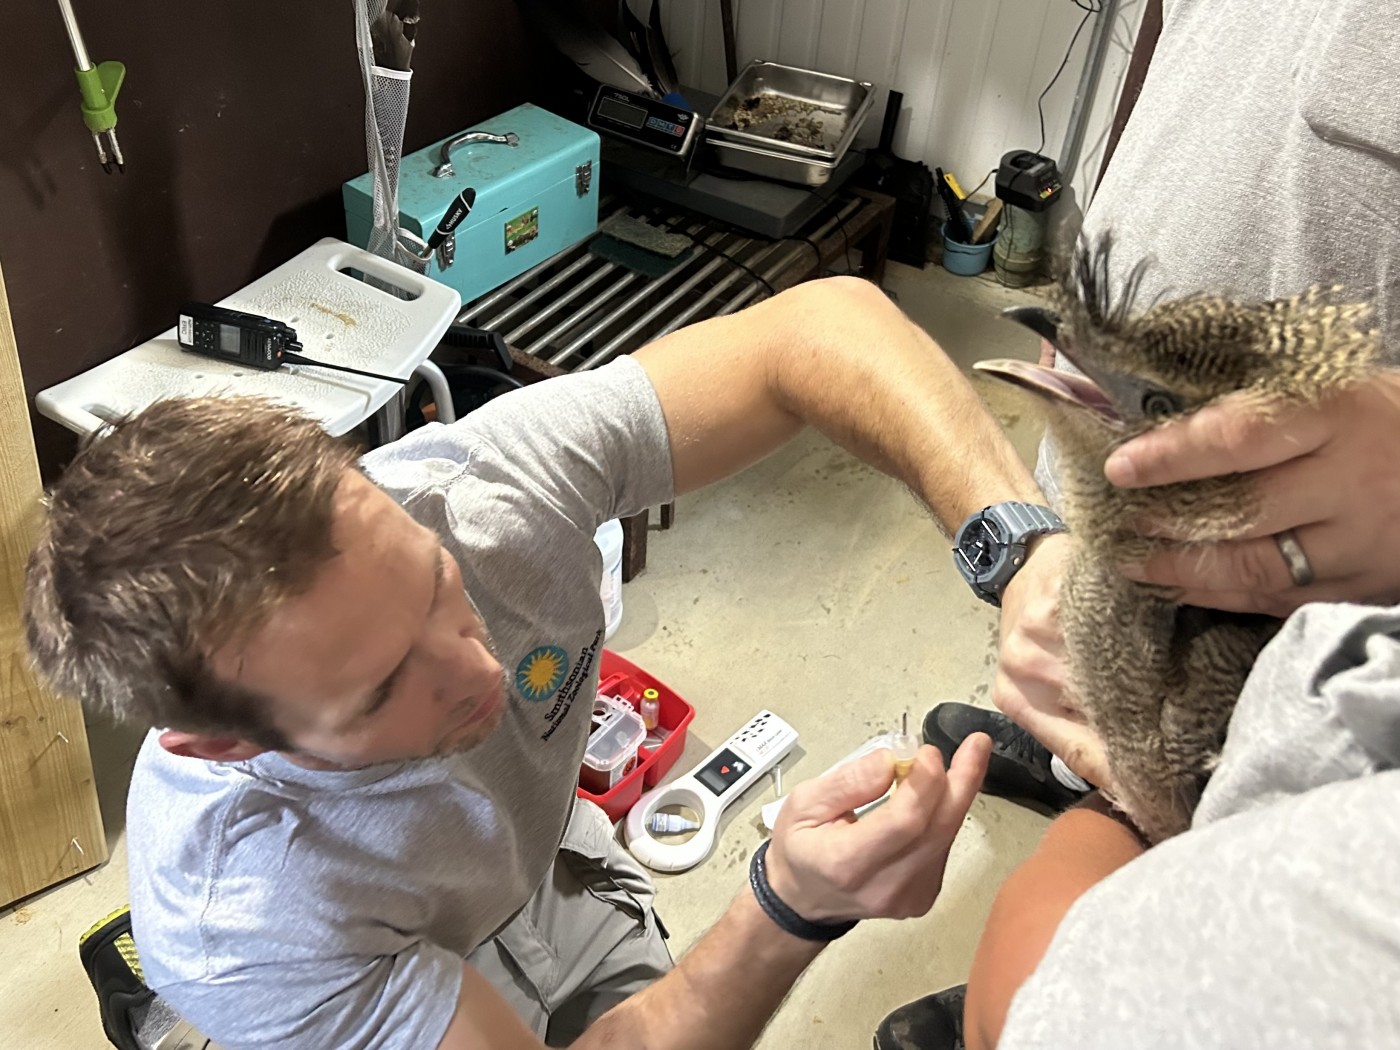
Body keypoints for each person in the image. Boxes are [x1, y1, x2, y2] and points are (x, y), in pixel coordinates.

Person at [25, 275, 1023, 1050]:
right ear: (215, 741)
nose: (475, 669)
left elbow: (817, 330)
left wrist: (1021, 550)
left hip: (547, 867)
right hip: (372, 963)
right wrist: (790, 904)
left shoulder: (465, 488)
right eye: (378, 689)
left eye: (433, 581)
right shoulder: (247, 924)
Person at [878, 0, 1400, 1046]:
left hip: (1317, 557)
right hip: (1137, 449)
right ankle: (1084, 763)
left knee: (1219, 766)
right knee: (1101, 656)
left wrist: (1081, 977)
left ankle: (1118, 919)